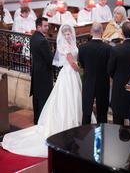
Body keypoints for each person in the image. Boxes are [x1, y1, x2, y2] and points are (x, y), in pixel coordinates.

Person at [2, 24, 87, 157]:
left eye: (69, 33)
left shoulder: (71, 42)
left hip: (73, 75)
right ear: (63, 35)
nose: (68, 35)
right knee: (67, 97)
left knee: (75, 97)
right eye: (66, 33)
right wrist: (81, 70)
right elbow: (72, 62)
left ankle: (78, 120)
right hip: (69, 73)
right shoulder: (64, 45)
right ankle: (68, 122)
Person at [108, 22, 130, 128]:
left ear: (121, 33)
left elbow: (110, 70)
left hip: (119, 87)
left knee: (118, 119)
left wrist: (117, 78)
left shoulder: (116, 49)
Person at [78, 22, 111, 124]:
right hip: (103, 83)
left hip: (88, 81)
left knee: (86, 112)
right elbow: (109, 66)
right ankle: (102, 135)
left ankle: (85, 135)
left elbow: (82, 64)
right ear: (102, 32)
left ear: (91, 31)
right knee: (102, 113)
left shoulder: (83, 47)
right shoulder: (108, 48)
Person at [28, 17, 53, 124]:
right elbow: (49, 60)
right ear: (38, 27)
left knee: (37, 98)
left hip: (36, 71)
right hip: (44, 73)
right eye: (45, 26)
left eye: (47, 25)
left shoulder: (33, 37)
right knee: (44, 98)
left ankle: (36, 120)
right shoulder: (43, 41)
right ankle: (42, 122)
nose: (47, 28)